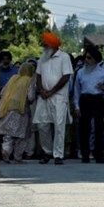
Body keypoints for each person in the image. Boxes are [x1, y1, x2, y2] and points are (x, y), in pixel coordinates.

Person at [72, 45, 104, 163]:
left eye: (89, 58)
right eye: (86, 58)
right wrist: (77, 106)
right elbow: (76, 90)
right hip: (84, 99)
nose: (86, 60)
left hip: (97, 99)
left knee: (99, 127)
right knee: (84, 128)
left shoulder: (102, 73)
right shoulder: (80, 72)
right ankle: (85, 155)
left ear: (95, 59)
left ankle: (99, 155)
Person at [33, 32, 74, 165]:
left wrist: (51, 91)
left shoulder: (64, 57)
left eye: (45, 43)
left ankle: (58, 155)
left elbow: (66, 76)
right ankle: (48, 151)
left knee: (59, 126)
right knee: (41, 124)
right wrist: (41, 90)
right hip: (44, 96)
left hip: (58, 97)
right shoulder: (43, 57)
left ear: (52, 45)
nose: (44, 46)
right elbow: (38, 75)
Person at [0, 61, 37, 163]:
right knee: (21, 135)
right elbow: (31, 97)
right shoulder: (29, 81)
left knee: (8, 134)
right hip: (21, 111)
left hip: (7, 109)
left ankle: (6, 151)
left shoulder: (13, 78)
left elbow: (2, 93)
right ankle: (18, 157)